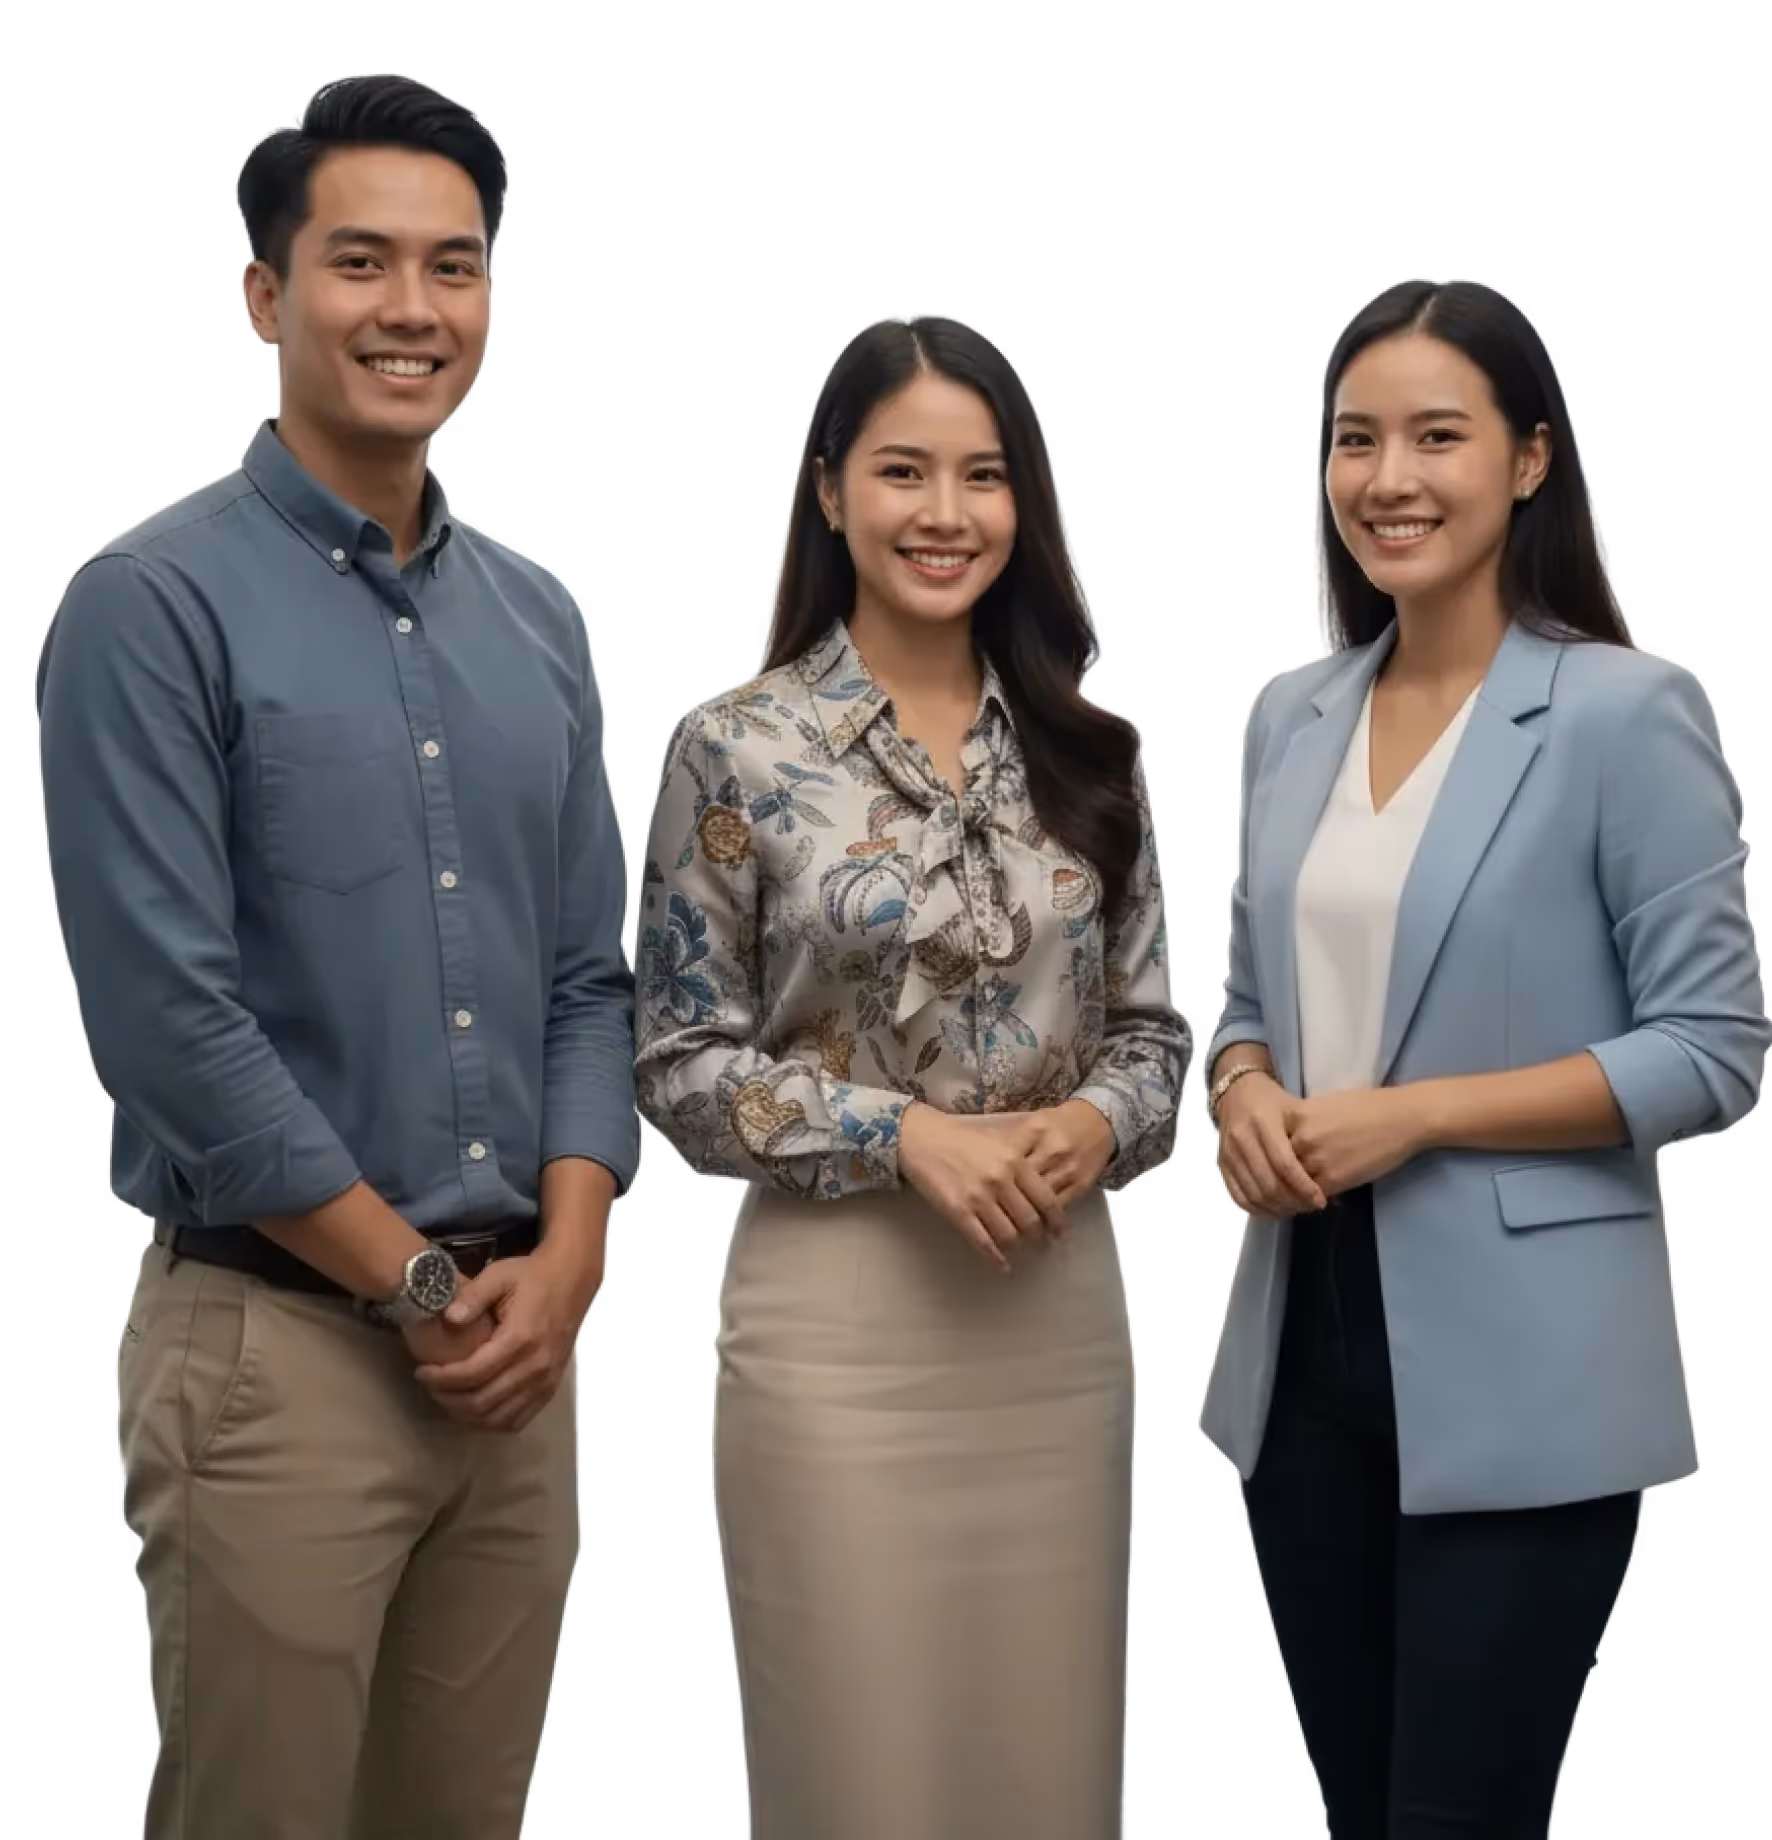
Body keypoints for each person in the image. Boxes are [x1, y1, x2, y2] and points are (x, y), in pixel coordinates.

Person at [35, 76, 639, 1838]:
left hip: (526, 1361)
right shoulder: (147, 606)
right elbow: (168, 1025)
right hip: (277, 1357)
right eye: (360, 261)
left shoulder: (542, 615)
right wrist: (421, 1291)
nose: (411, 309)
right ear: (262, 294)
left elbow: (588, 982)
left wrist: (573, 1264)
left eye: (454, 267)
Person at [1200, 278, 1770, 1834]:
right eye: (1355, 440)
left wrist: (1420, 1117)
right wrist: (1241, 1089)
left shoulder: (1625, 711)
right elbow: (1247, 1000)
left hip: (1531, 1378)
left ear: (1528, 460)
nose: (1390, 478)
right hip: (1296, 1360)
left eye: (1437, 436)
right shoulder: (1285, 717)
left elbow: (1715, 1054)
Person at [634, 310, 1190, 1838]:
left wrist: (1095, 1119)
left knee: (1050, 1778)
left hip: (1059, 1327)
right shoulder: (731, 748)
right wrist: (905, 1139)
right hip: (836, 1342)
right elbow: (680, 1068)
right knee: (855, 1784)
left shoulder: (1096, 749)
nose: (947, 515)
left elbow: (1158, 1039)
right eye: (904, 472)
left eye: (985, 476)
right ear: (828, 491)